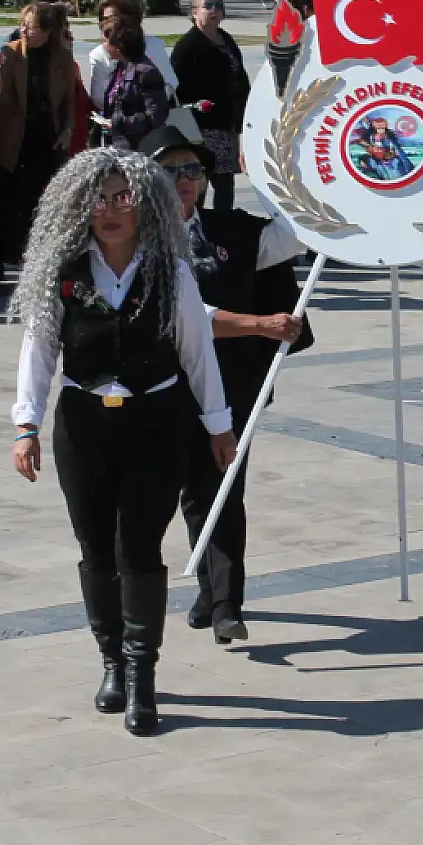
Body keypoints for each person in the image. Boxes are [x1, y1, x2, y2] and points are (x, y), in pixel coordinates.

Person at [9, 148, 238, 736]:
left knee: (138, 547)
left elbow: (197, 353)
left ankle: (142, 675)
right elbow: (37, 351)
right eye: (99, 200)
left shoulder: (171, 271)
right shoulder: (64, 271)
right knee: (96, 548)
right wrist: (26, 425)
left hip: (156, 423)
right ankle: (110, 659)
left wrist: (219, 425)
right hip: (84, 423)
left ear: (145, 205)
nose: (110, 211)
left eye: (122, 198)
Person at [138, 126, 310, 643]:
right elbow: (187, 314)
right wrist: (258, 323)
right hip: (164, 387)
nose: (185, 181)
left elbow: (295, 235)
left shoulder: (231, 231)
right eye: (170, 172)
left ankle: (228, 603)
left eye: (192, 170)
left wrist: (269, 175)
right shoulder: (133, 239)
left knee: (223, 486)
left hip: (232, 384)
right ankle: (209, 588)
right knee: (190, 494)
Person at [0, 1, 76, 289]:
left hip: (44, 139)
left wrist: (67, 130)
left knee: (38, 205)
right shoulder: (10, 53)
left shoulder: (62, 59)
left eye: (32, 26)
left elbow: (68, 101)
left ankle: (35, 265)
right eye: (23, 24)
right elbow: (1, 96)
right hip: (12, 140)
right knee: (4, 202)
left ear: (48, 31)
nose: (24, 30)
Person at [170, 0, 250, 211]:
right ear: (194, 12)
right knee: (200, 184)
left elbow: (239, 76)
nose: (214, 10)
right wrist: (196, 104)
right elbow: (178, 87)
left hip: (226, 126)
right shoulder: (187, 46)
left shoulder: (226, 39)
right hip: (202, 128)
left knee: (225, 186)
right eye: (208, 6)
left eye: (218, 5)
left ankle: (222, 230)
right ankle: (198, 229)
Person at [85, 0, 178, 107]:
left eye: (114, 17)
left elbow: (171, 83)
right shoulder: (98, 55)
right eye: (104, 19)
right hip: (116, 119)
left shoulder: (153, 45)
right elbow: (98, 98)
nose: (108, 23)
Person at [97, 17, 169, 151]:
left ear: (118, 46)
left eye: (105, 41)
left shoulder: (146, 72)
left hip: (139, 149)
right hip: (118, 146)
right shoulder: (119, 67)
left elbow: (157, 115)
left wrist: (121, 123)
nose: (102, 44)